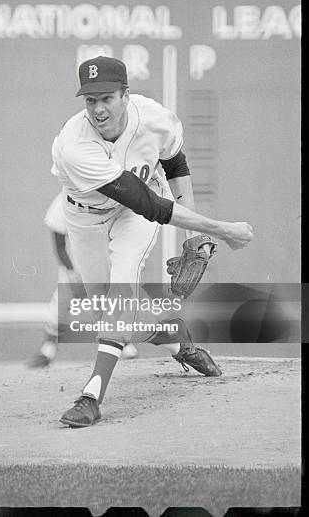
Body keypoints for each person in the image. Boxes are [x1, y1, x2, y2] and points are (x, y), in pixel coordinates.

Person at [51, 56, 253, 427]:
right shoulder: (73, 146)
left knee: (123, 287)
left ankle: (91, 396)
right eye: (90, 100)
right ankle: (174, 337)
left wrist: (194, 238)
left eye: (106, 98)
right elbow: (149, 203)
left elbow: (174, 165)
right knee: (104, 307)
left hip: (134, 217)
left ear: (125, 95)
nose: (98, 109)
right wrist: (221, 230)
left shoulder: (155, 118)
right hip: (87, 216)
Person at [27, 192, 139, 368]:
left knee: (107, 306)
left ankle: (123, 345)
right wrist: (71, 271)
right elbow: (58, 243)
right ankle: (47, 349)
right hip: (75, 265)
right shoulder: (64, 199)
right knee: (60, 306)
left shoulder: (110, 195)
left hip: (104, 262)